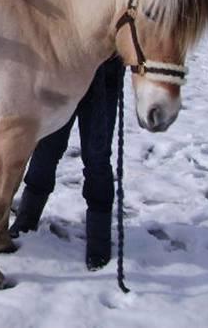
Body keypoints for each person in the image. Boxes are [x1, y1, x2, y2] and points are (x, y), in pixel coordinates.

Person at [9, 55, 124, 270]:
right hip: (65, 73)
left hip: (104, 79)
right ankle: (27, 218)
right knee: (46, 150)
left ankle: (99, 239)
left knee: (97, 158)